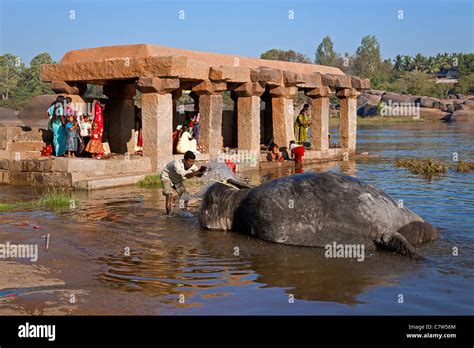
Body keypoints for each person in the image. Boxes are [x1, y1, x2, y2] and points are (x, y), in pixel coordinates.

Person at [161, 151, 207, 215]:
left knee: (185, 195)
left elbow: (198, 175)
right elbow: (187, 175)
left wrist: (202, 171)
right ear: (184, 160)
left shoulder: (192, 166)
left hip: (177, 181)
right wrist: (198, 171)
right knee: (169, 194)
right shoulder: (176, 164)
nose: (191, 164)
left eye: (193, 162)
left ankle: (183, 212)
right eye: (189, 161)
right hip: (167, 178)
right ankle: (168, 215)